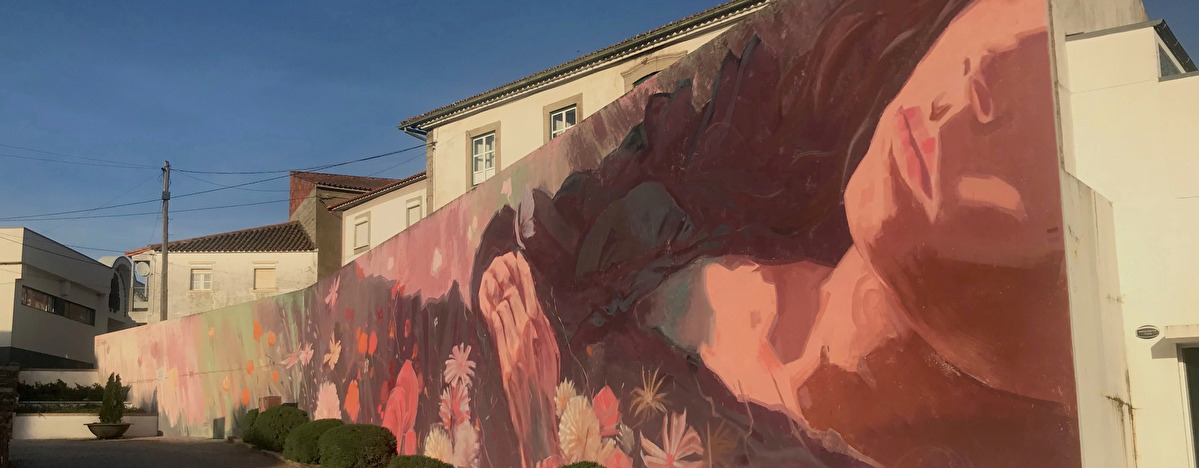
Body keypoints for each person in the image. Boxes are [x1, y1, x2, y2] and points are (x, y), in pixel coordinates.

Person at [470, 0, 1077, 465]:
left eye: (1043, 96)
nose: (976, 88)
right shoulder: (756, 152)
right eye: (998, 27)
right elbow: (516, 237)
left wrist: (534, 424)